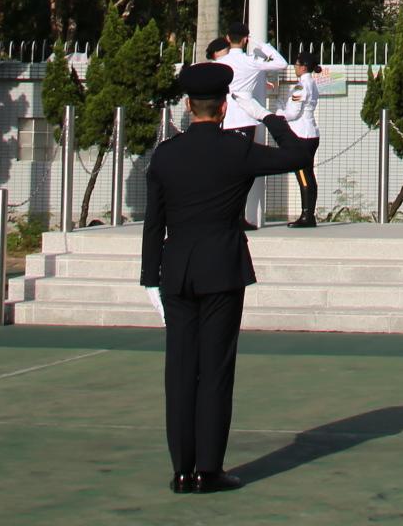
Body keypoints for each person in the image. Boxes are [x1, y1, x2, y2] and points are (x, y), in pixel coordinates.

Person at [141, 61, 309, 494]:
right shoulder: (236, 149)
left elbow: (153, 221)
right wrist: (272, 118)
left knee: (179, 372)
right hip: (222, 268)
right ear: (221, 108)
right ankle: (208, 470)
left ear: (188, 105)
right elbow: (298, 156)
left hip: (175, 269)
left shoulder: (166, 153)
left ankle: (181, 469)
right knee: (214, 371)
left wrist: (149, 277)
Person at [277, 56, 323, 228]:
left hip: (301, 136)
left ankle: (306, 216)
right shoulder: (312, 83)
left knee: (303, 176)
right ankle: (309, 214)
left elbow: (292, 113)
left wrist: (278, 112)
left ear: (303, 67)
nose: (294, 67)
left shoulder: (300, 86)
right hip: (311, 134)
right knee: (309, 175)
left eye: (296, 65)